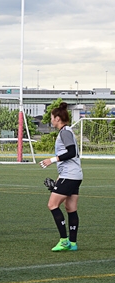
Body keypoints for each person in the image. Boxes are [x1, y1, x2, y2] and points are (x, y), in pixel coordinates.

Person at [39, 102, 83, 252]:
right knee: (70, 208)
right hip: (74, 175)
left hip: (70, 175)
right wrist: (59, 177)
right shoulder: (67, 131)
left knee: (52, 205)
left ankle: (64, 240)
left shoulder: (64, 132)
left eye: (52, 117)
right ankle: (73, 242)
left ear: (57, 118)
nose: (51, 120)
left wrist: (51, 160)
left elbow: (71, 152)